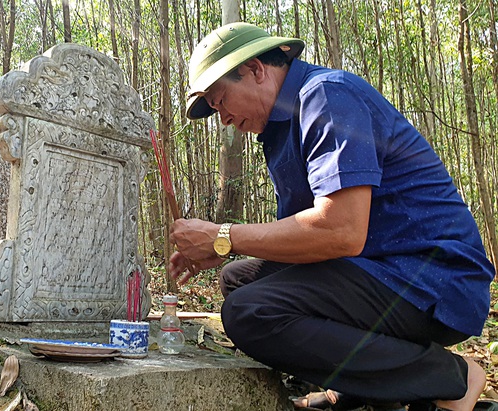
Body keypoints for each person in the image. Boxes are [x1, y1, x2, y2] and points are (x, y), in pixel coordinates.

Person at [168, 22, 496, 411]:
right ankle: (365, 391)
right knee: (238, 280)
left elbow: (341, 231)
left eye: (221, 100)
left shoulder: (326, 96)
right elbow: (305, 239)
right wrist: (222, 249)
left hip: (430, 277)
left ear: (256, 70)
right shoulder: (281, 129)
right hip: (376, 269)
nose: (222, 117)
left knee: (250, 312)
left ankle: (450, 376)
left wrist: (225, 234)